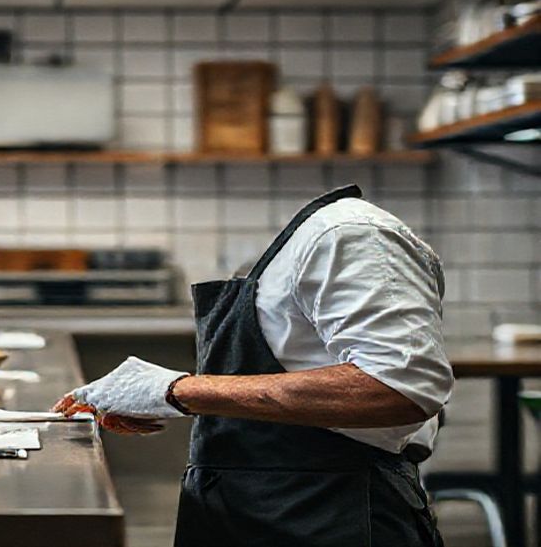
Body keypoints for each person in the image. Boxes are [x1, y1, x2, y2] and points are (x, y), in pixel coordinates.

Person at [55, 185, 453, 547]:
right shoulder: (296, 245)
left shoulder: (349, 234)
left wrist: (177, 390)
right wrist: (164, 395)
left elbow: (396, 386)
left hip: (330, 514)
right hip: (260, 511)